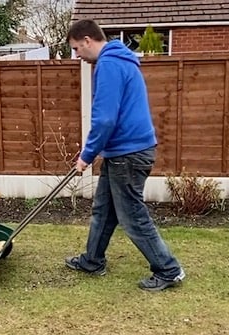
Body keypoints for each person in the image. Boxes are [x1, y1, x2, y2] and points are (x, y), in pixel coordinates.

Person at [64, 19, 185, 292]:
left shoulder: (108, 64)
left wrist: (87, 155)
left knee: (132, 215)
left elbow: (105, 119)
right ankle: (92, 260)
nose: (77, 56)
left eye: (76, 49)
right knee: (104, 209)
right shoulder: (121, 61)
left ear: (86, 40)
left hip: (128, 154)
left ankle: (169, 269)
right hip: (124, 150)